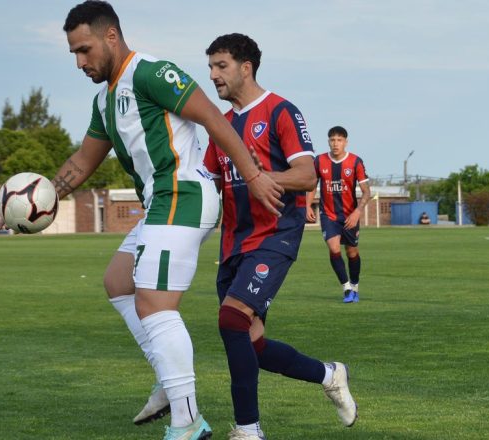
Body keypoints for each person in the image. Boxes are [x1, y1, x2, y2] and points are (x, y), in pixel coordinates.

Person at [55, 3, 283, 439]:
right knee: (118, 282)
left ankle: (187, 420)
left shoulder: (152, 74)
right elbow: (83, 161)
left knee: (155, 306)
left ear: (111, 37)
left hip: (183, 195)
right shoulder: (104, 100)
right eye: (73, 54)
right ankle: (169, 373)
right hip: (160, 203)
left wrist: (252, 175)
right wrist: (40, 199)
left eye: (84, 50)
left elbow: (213, 118)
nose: (80, 63)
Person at [203, 33, 357, 439]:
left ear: (246, 67)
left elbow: (307, 175)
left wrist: (261, 177)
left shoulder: (279, 111)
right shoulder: (221, 125)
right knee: (250, 342)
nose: (214, 76)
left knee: (232, 318)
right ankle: (329, 374)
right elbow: (208, 180)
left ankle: (247, 430)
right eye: (211, 68)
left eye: (221, 66)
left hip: (275, 236)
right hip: (234, 243)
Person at [307, 126, 372, 303]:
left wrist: (357, 212)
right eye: (332, 140)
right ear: (328, 141)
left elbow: (367, 192)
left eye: (339, 140)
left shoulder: (355, 162)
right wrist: (307, 205)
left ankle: (355, 286)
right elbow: (312, 185)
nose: (336, 144)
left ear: (346, 141)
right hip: (329, 215)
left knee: (352, 252)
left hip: (350, 215)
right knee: (334, 248)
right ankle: (346, 289)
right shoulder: (319, 161)